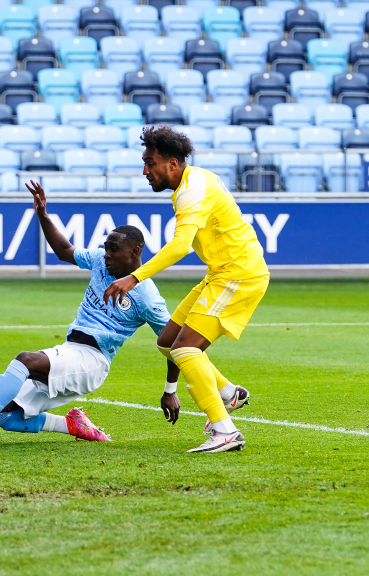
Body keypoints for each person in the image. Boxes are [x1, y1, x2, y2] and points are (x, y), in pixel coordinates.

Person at [0, 180, 172, 450]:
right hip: (69, 349)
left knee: (26, 360)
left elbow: (172, 343)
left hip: (92, 360)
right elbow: (64, 251)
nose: (107, 255)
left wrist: (170, 391)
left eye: (114, 249)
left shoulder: (148, 297)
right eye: (106, 247)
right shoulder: (100, 262)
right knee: (1, 415)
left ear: (135, 252)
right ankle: (71, 425)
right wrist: (43, 215)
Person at [103, 126, 269, 453]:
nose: (145, 171)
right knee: (167, 342)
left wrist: (133, 278)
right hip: (220, 273)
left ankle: (225, 431)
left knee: (185, 350)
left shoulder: (192, 190)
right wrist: (169, 387)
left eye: (151, 163)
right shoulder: (193, 182)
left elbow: (180, 246)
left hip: (238, 274)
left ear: (173, 164)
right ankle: (229, 393)